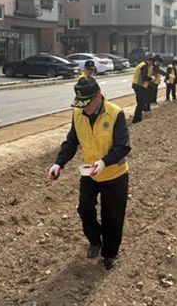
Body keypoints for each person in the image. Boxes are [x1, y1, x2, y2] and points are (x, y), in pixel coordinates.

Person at [47, 77, 130, 270]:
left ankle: (110, 254)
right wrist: (59, 163)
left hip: (114, 174)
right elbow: (72, 141)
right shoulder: (78, 113)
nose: (84, 108)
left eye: (87, 103)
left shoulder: (115, 113)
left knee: (113, 216)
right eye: (81, 103)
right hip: (90, 173)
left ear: (98, 96)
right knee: (84, 208)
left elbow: (123, 146)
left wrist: (104, 162)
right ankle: (95, 240)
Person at [131, 53, 154, 123]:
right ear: (150, 61)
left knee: (140, 102)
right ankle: (136, 119)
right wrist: (151, 78)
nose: (151, 65)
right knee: (140, 102)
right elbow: (144, 77)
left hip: (136, 85)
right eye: (152, 63)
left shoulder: (142, 64)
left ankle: (138, 118)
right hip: (139, 85)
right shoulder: (144, 66)